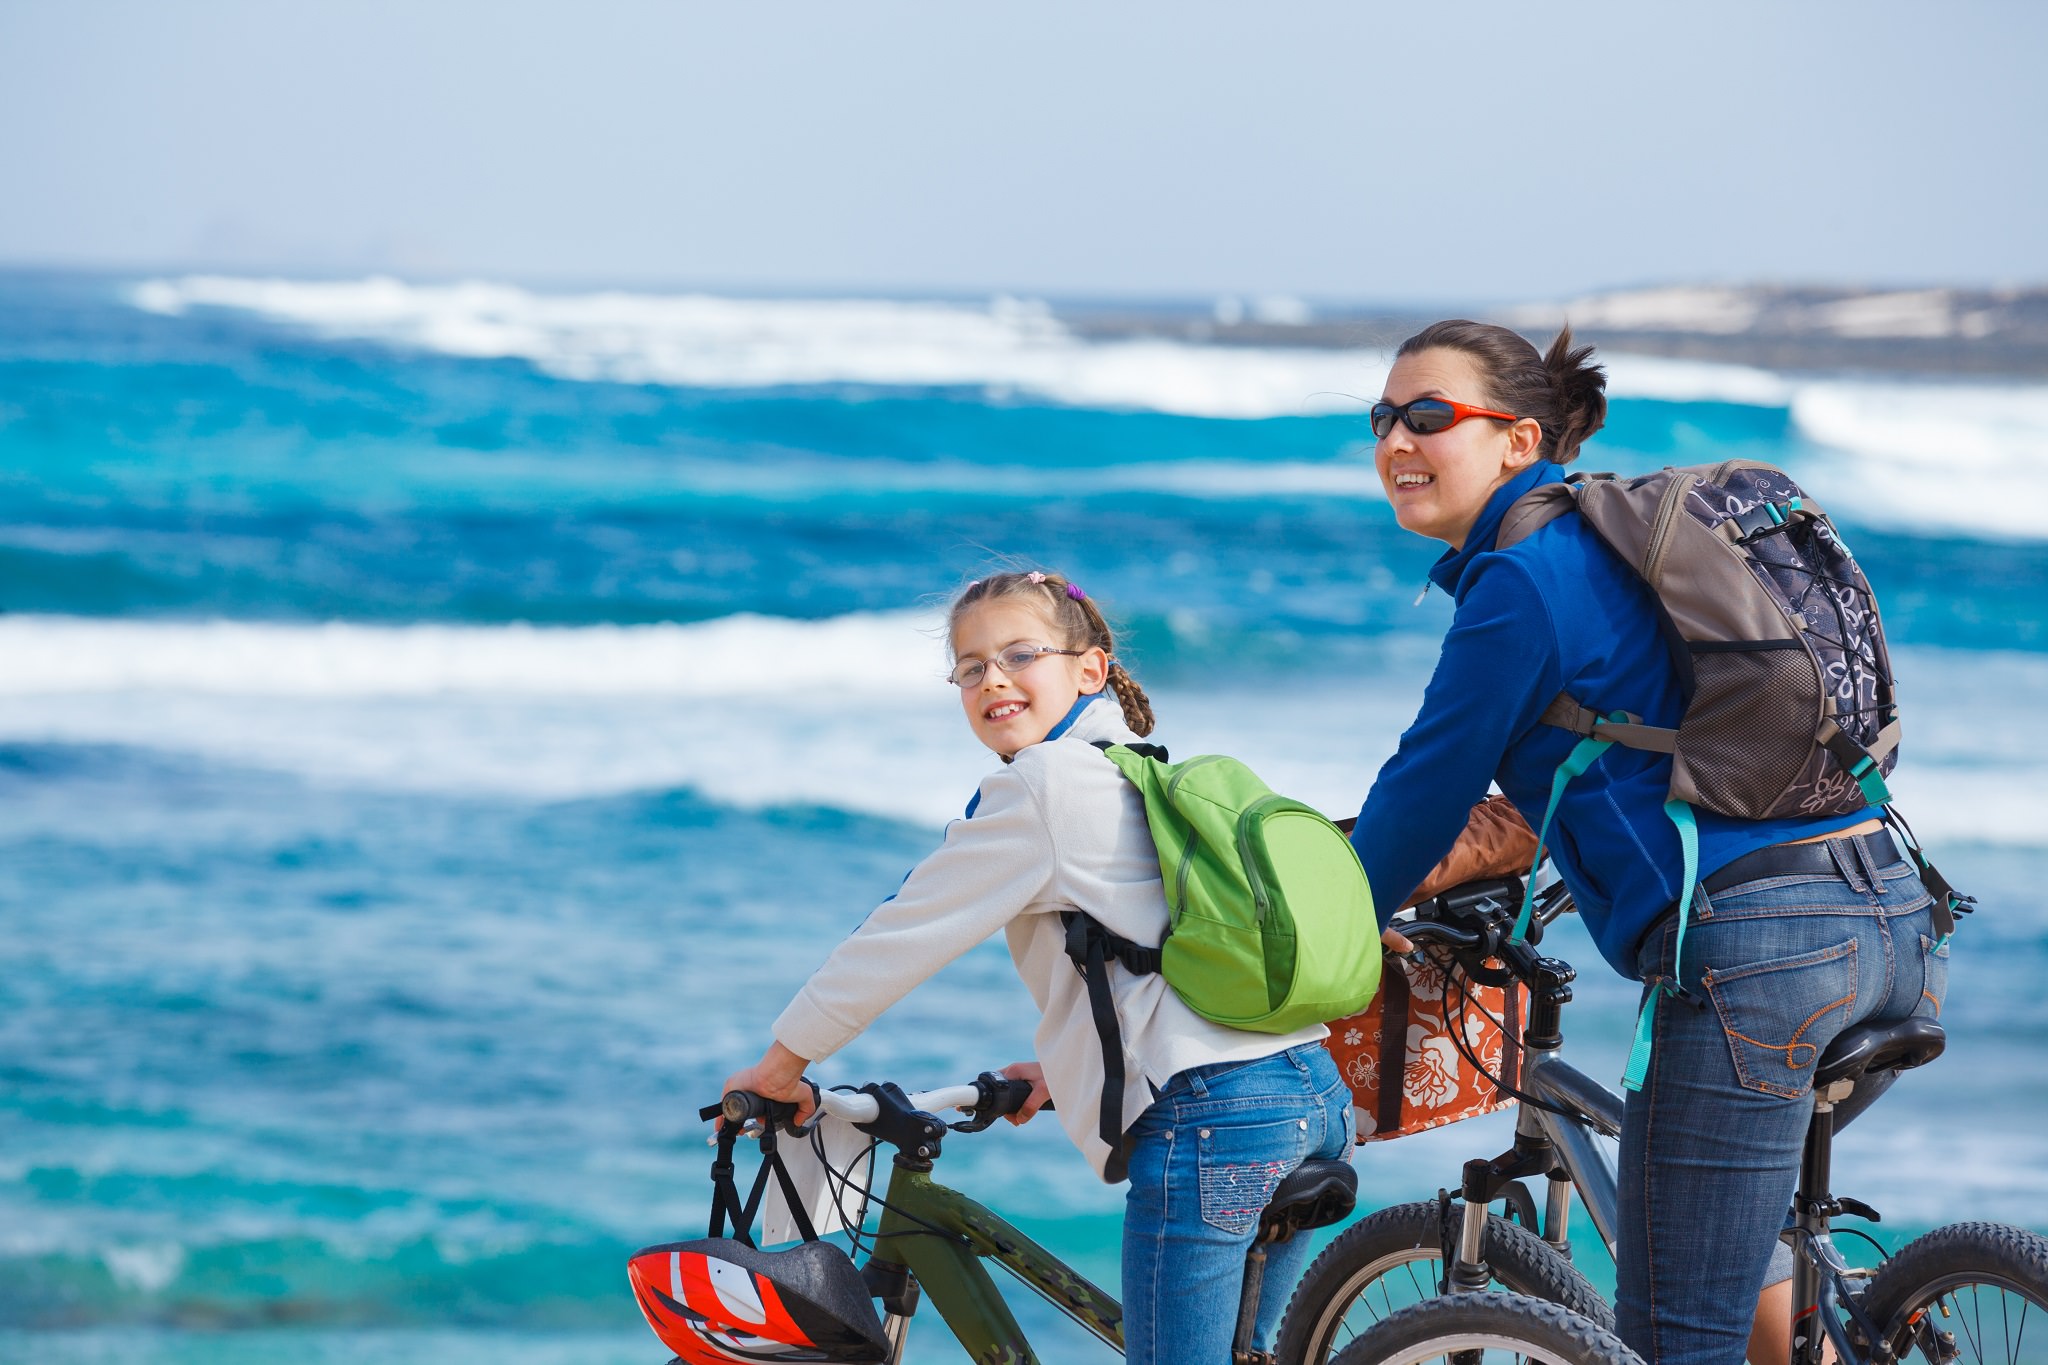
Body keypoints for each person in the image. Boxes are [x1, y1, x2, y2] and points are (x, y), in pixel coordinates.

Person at [1346, 321, 1947, 1365]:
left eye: (1430, 415)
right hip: (1892, 918)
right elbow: (1647, 755)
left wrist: (1328, 929)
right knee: (1723, 1212)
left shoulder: (1521, 579)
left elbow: (1421, 791)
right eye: (1383, 417)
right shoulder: (1620, 545)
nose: (1398, 437)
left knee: (1673, 1333)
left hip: (1762, 961)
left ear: (1519, 440)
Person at [719, 568, 1352, 1364]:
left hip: (1215, 1121)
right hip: (1308, 1091)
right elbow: (1156, 953)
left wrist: (783, 1065)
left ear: (1090, 668)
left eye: (1021, 654)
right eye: (971, 666)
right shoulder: (1134, 764)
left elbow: (900, 934)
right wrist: (1066, 1067)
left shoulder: (1041, 787)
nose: (994, 679)